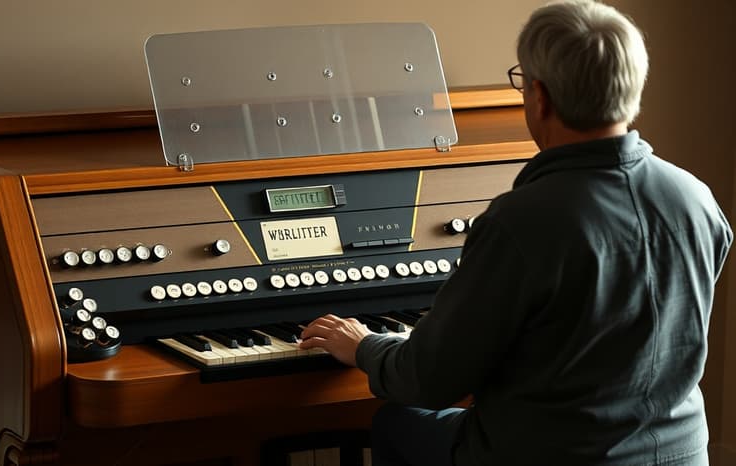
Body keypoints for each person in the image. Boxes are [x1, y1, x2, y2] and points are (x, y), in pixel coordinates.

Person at [299, 1, 733, 464]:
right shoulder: (697, 198)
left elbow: (429, 380)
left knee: (398, 422)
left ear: (540, 96)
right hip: (680, 453)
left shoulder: (521, 221)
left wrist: (364, 344)